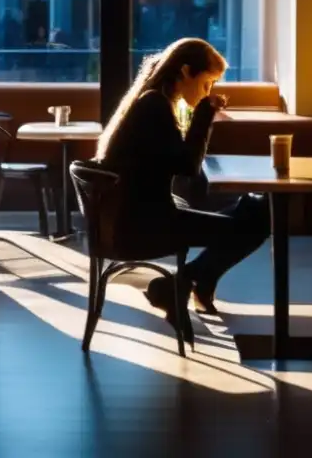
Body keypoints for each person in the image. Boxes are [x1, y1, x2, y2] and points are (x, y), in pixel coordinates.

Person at [95, 37, 268, 341]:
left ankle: (183, 283)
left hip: (141, 218)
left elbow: (174, 163)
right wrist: (204, 114)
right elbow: (188, 167)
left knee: (256, 209)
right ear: (186, 71)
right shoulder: (154, 107)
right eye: (207, 84)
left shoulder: (151, 100)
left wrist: (201, 113)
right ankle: (180, 284)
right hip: (144, 227)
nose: (208, 93)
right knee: (258, 222)